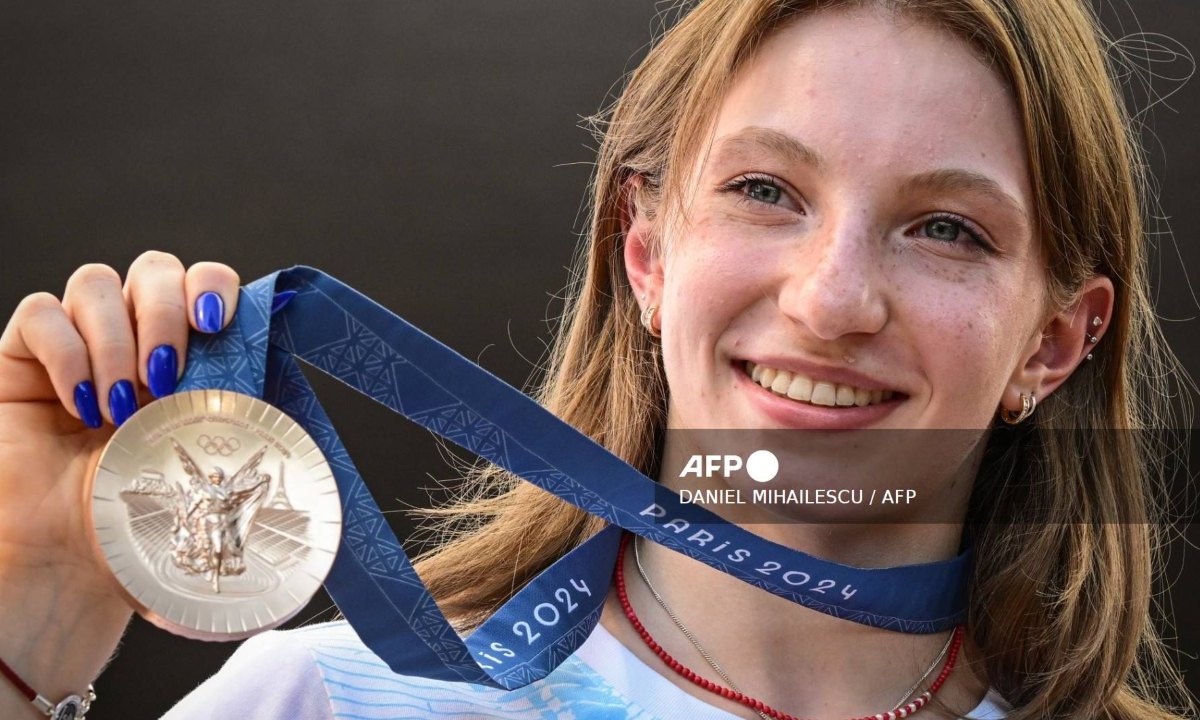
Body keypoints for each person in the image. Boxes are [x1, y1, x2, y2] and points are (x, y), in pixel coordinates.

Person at [0, 0, 1194, 718]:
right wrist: (28, 632)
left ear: (1053, 342)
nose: (833, 301)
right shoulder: (326, 702)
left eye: (947, 228)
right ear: (646, 256)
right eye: (766, 190)